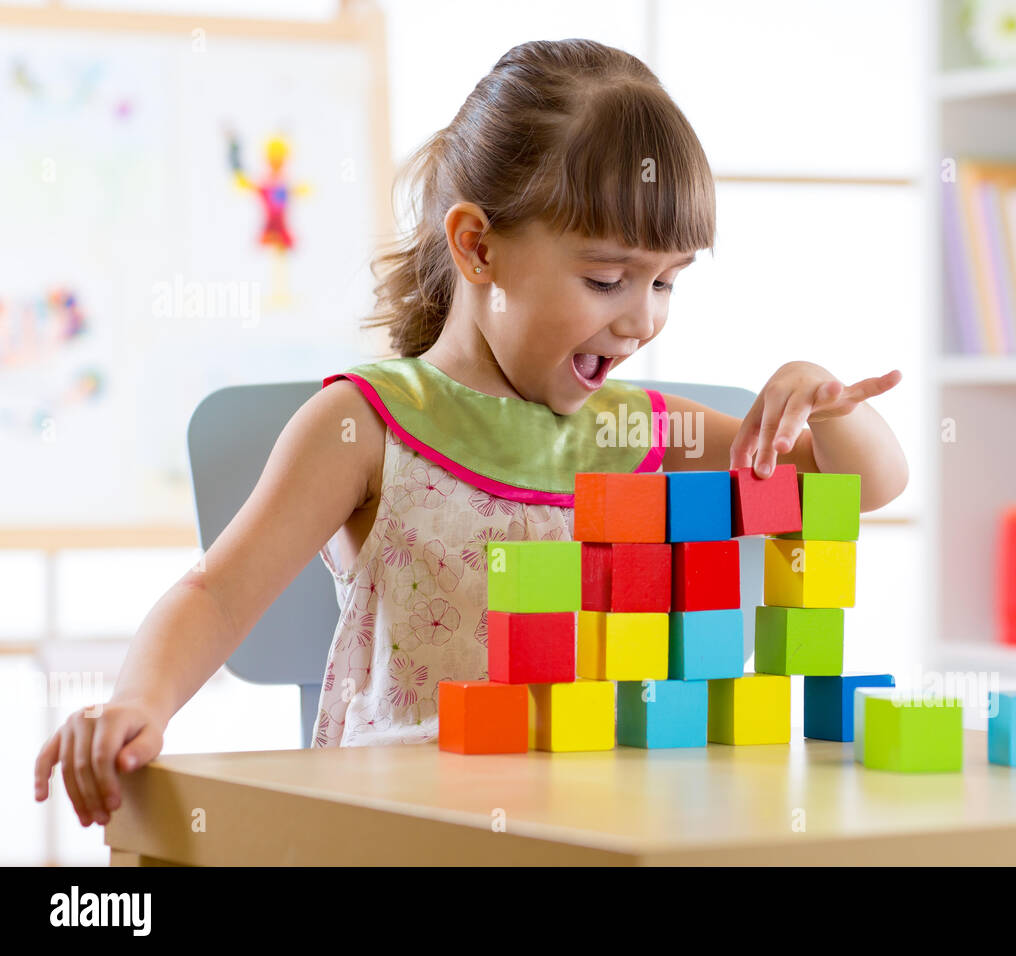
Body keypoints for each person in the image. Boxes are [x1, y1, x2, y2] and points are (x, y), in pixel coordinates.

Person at [35, 38, 907, 828]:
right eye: (609, 279)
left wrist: (822, 402)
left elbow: (863, 482)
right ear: (477, 249)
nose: (642, 322)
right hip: (402, 825)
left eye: (668, 283)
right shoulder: (366, 427)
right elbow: (216, 596)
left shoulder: (644, 429)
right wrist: (136, 704)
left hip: (600, 824)